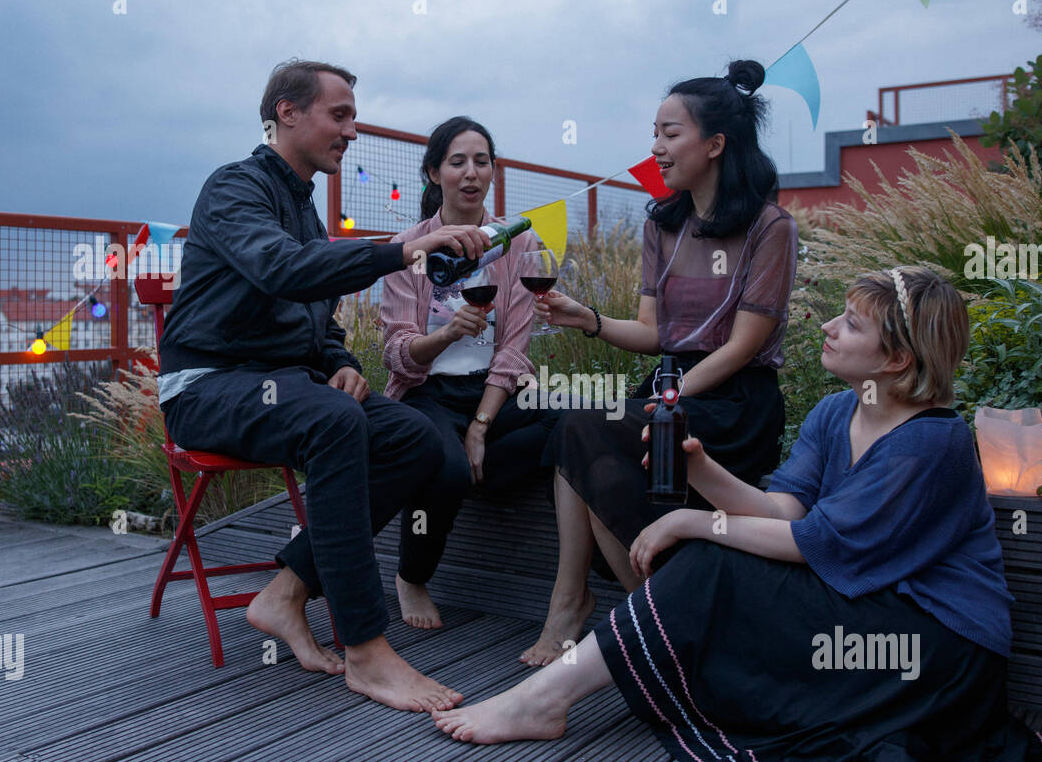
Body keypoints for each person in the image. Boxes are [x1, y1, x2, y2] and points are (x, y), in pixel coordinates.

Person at [432, 266, 1042, 762]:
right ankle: (554, 696)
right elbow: (782, 507)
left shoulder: (933, 442)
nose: (830, 327)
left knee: (711, 555)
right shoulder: (838, 412)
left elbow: (812, 544)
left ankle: (545, 700)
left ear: (896, 359)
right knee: (713, 557)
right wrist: (699, 470)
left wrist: (695, 521)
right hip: (859, 603)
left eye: (852, 325)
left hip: (934, 641)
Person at [158, 59, 491, 712]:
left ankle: (284, 593)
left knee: (413, 437)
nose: (352, 131)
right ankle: (367, 652)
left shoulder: (307, 212)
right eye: (340, 115)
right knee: (334, 420)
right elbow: (281, 269)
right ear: (287, 113)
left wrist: (342, 362)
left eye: (353, 118)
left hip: (284, 387)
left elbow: (318, 318)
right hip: (206, 389)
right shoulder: (234, 188)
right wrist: (405, 248)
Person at [519, 59, 797, 665]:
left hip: (733, 400)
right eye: (655, 132)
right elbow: (651, 333)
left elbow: (743, 345)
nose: (656, 148)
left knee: (594, 432)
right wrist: (586, 318)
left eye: (671, 134)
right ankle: (618, 612)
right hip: (672, 383)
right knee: (574, 428)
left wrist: (668, 402)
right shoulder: (662, 224)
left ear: (716, 144)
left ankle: (638, 624)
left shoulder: (770, 227)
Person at [379, 116, 559, 629]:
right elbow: (396, 353)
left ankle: (463, 467)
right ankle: (411, 576)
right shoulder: (411, 248)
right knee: (442, 462)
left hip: (491, 392)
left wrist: (480, 425)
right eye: (457, 162)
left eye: (482, 161)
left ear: (494, 171)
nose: (471, 173)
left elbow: (515, 349)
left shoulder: (516, 243)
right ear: (435, 173)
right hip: (426, 392)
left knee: (568, 417)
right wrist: (447, 334)